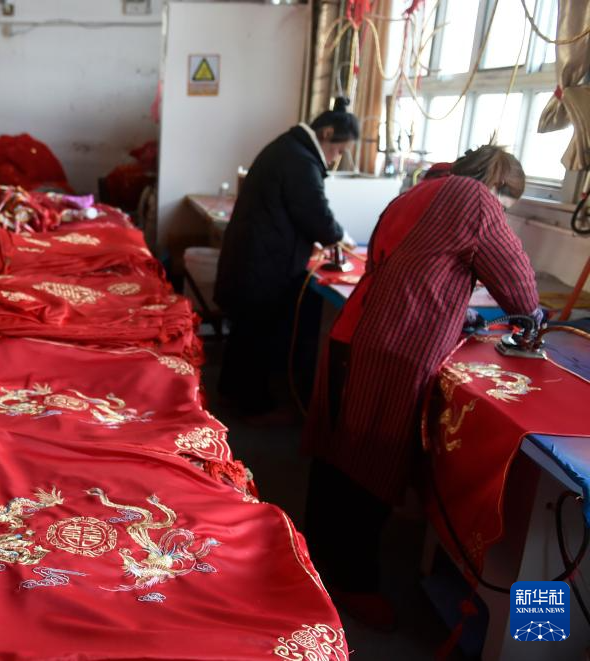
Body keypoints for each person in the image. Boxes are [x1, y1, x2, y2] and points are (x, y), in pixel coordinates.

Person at [302, 145, 540, 630]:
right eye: (505, 206)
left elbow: (411, 268)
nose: (501, 215)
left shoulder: (422, 190)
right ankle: (352, 583)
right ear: (496, 187)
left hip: (355, 333)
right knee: (369, 463)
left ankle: (310, 557)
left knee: (334, 457)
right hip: (391, 348)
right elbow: (515, 279)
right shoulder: (474, 198)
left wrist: (457, 313)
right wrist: (532, 316)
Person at [214, 97, 359, 421]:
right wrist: (341, 238)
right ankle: (253, 407)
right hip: (262, 262)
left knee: (246, 333)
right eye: (338, 150)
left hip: (255, 256)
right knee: (256, 334)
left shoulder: (289, 149)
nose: (335, 159)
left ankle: (231, 394)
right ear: (327, 133)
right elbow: (315, 213)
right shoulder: (300, 160)